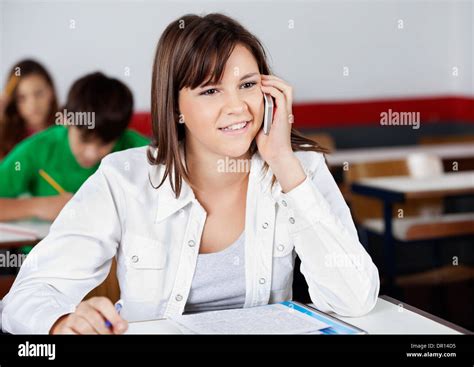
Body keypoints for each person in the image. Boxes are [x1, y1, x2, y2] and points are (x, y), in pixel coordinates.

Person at [2, 13, 379, 335]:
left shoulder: (300, 168)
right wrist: (61, 322)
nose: (238, 107)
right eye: (211, 90)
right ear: (176, 106)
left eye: (247, 85)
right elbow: (26, 296)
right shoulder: (124, 178)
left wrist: (283, 162)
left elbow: (355, 299)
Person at [0, 71, 149, 223]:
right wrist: (37, 206)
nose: (91, 154)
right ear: (65, 119)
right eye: (84, 140)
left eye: (104, 144)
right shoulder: (39, 148)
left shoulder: (137, 148)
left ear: (120, 133)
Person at [0, 59, 58, 158]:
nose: (33, 105)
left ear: (51, 91)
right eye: (21, 97)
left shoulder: (67, 129)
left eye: (39, 93)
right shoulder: (5, 138)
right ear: (13, 102)